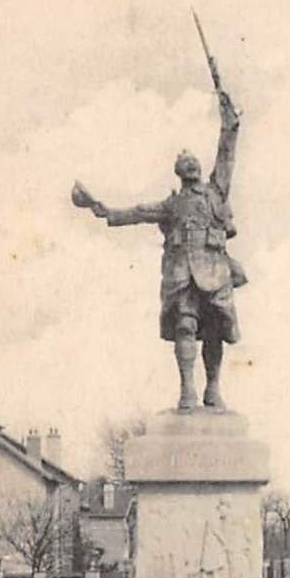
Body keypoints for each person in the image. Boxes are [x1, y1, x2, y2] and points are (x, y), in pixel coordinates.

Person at [73, 89, 246, 412]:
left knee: (215, 330)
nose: (192, 164)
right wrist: (105, 210)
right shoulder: (172, 204)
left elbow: (226, 155)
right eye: (186, 163)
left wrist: (230, 123)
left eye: (194, 161)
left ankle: (213, 388)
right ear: (179, 173)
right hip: (181, 272)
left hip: (214, 270)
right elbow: (139, 212)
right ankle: (187, 390)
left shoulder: (216, 192)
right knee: (185, 324)